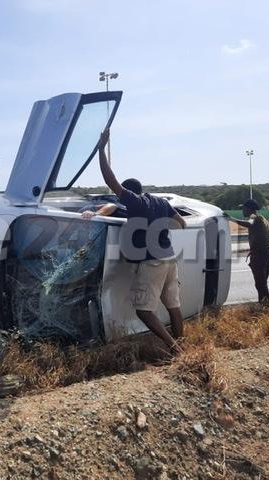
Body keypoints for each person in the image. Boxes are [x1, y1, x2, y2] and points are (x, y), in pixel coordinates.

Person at [95, 129, 186, 352]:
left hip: (152, 262)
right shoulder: (161, 202)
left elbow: (110, 179)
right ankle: (183, 344)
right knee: (173, 305)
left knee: (144, 311)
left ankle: (175, 348)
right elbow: (182, 223)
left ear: (129, 193)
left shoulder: (135, 203)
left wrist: (101, 149)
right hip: (169, 258)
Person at [224, 199, 269, 307]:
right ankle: (264, 306)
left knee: (261, 284)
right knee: (261, 284)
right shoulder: (261, 218)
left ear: (249, 209)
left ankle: (267, 307)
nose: (242, 210)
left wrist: (231, 219)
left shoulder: (254, 218)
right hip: (266, 253)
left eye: (244, 208)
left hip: (260, 255)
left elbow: (249, 224)